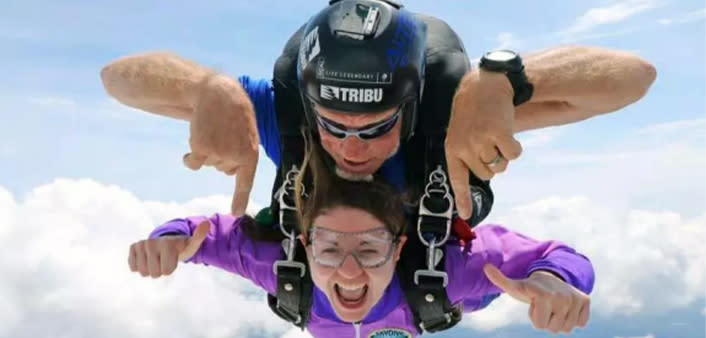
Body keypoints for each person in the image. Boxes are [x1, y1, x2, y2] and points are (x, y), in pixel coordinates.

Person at [100, 0, 657, 221]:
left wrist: (506, 80)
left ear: (412, 110)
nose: (350, 146)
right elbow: (118, 79)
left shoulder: (448, 122)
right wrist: (205, 87)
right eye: (332, 124)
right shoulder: (279, 113)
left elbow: (634, 78)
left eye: (378, 126)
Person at [127, 138, 595, 337]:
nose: (349, 270)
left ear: (400, 247)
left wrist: (555, 278)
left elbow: (556, 256)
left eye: (369, 248)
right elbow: (203, 237)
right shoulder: (287, 267)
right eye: (330, 247)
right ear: (306, 245)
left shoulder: (449, 272)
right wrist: (168, 239)